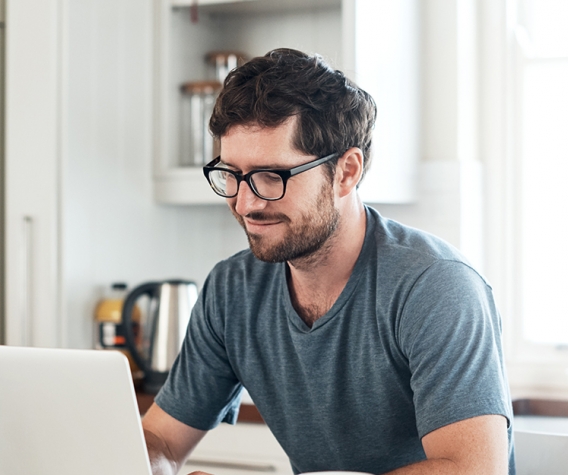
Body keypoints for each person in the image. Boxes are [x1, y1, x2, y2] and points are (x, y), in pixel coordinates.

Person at [141, 48, 513, 475]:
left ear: (346, 172)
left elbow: (473, 470)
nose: (244, 203)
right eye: (232, 175)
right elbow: (162, 440)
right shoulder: (232, 290)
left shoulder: (435, 287)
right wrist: (142, 461)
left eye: (271, 176)